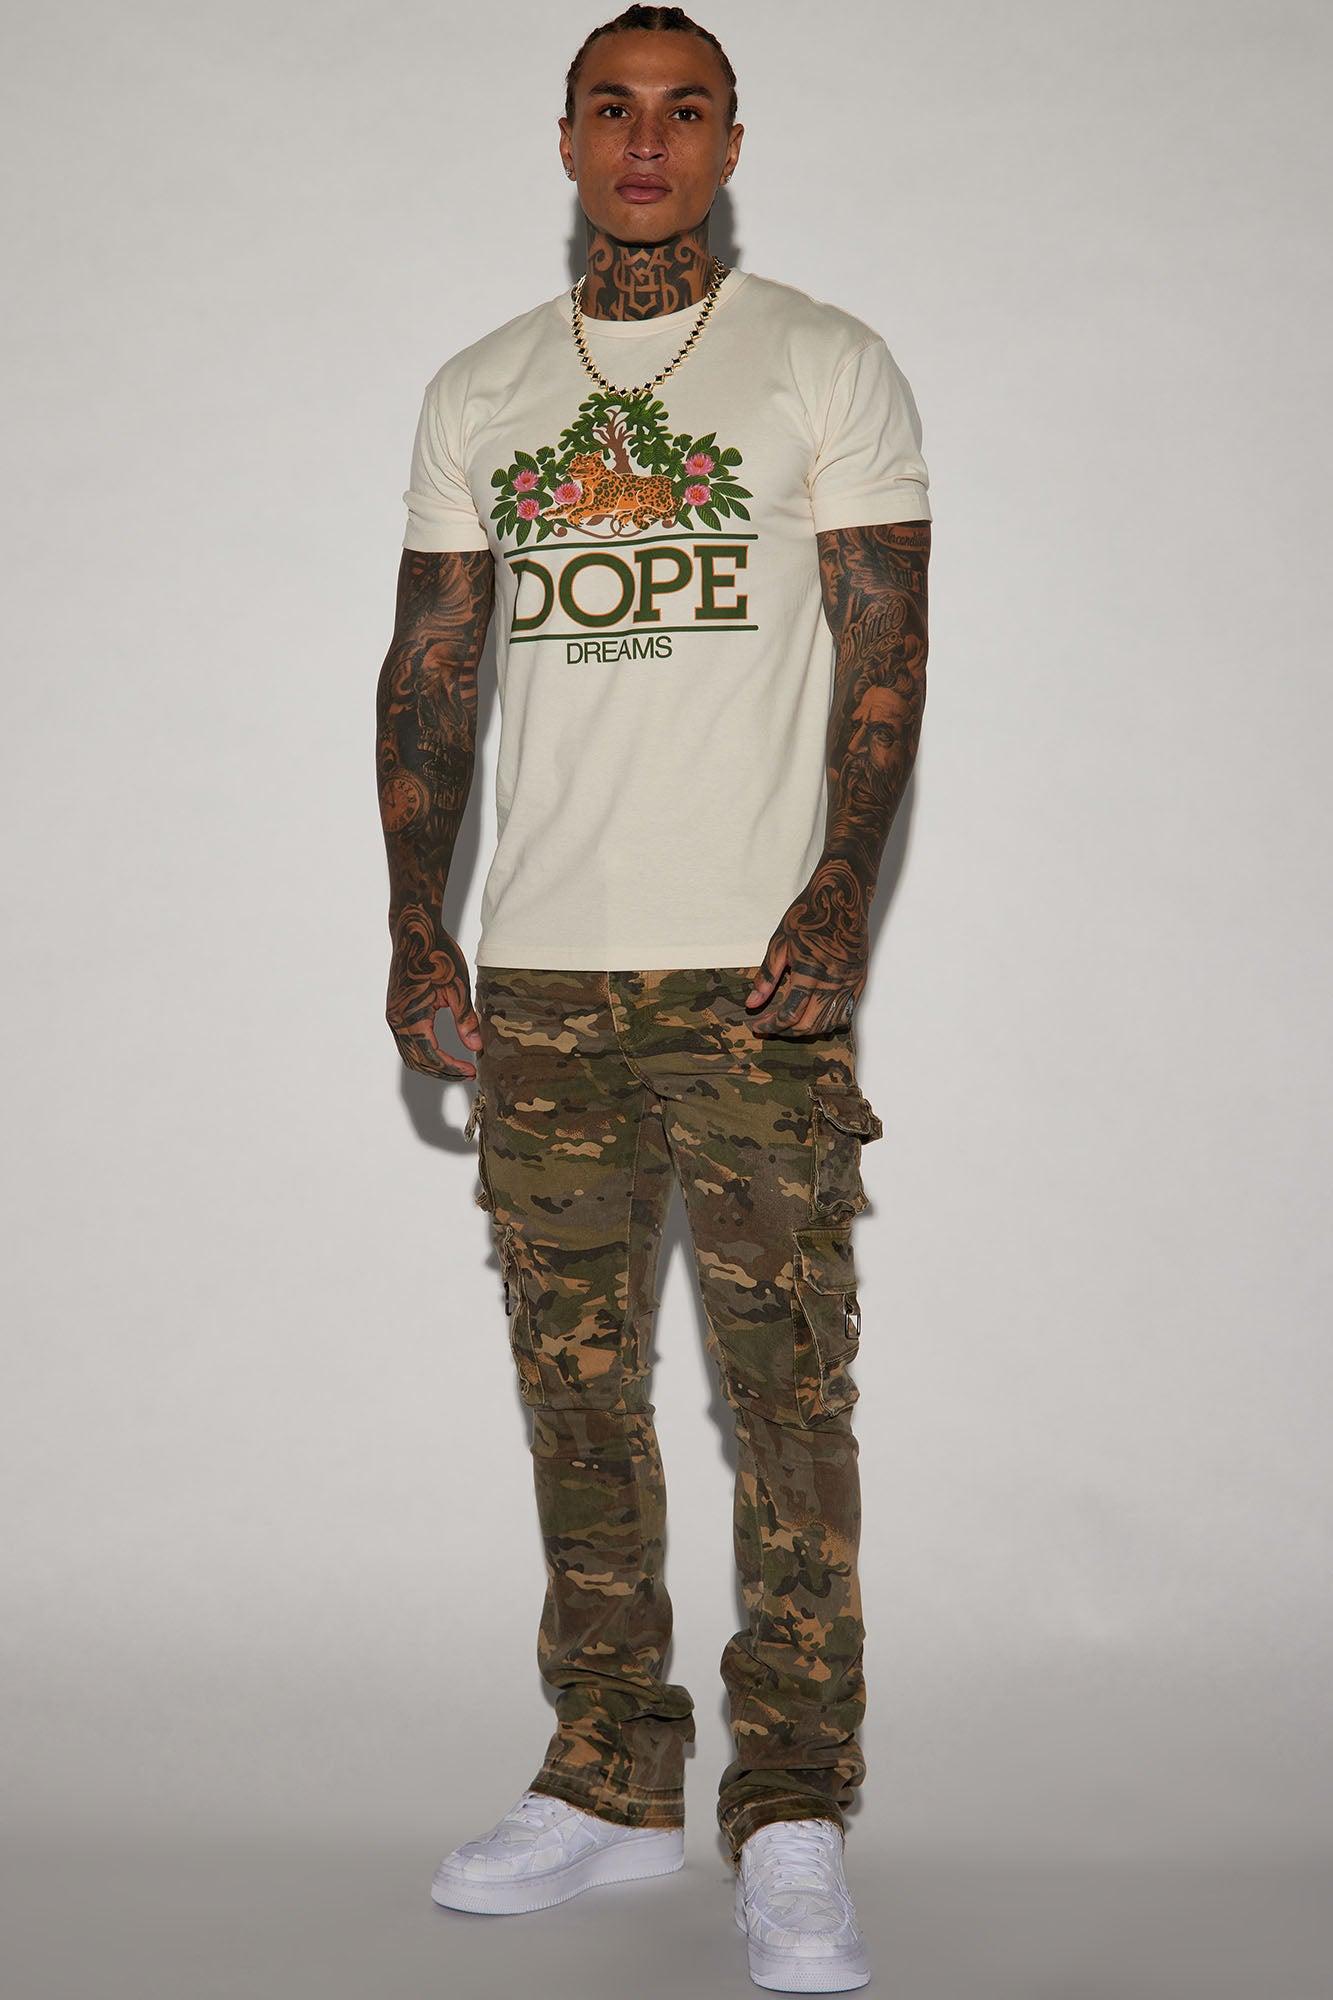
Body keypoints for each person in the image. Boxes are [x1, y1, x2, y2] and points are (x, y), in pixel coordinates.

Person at [375, 6, 930, 1989]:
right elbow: (433, 668)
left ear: (728, 143)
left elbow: (886, 645)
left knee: (785, 1400)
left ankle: (789, 1806)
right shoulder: (482, 388)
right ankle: (610, 1777)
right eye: (611, 108)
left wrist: (840, 893)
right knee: (578, 1395)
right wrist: (415, 919)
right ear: (563, 139)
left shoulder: (823, 362)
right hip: (543, 972)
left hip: (755, 981)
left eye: (683, 110)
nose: (644, 141)